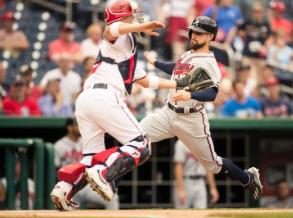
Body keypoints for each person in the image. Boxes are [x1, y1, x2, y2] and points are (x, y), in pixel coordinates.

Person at [50, 0, 176, 211]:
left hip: (87, 100)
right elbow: (111, 29)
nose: (135, 18)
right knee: (141, 144)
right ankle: (104, 173)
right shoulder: (118, 37)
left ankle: (64, 189)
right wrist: (142, 26)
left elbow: (147, 82)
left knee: (90, 157)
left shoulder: (125, 52)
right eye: (131, 15)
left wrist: (178, 84)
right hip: (104, 97)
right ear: (123, 17)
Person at [141, 16, 263, 202]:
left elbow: (212, 93)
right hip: (168, 113)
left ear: (210, 37)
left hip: (191, 119)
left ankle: (247, 178)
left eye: (200, 33)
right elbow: (177, 68)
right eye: (193, 31)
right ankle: (110, 178)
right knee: (136, 136)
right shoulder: (188, 54)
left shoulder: (210, 63)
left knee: (213, 164)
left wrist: (190, 95)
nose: (194, 35)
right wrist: (156, 63)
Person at [54, 118, 119, 209]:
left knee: (113, 197)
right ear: (70, 127)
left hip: (88, 184)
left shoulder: (86, 142)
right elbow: (55, 169)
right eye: (77, 125)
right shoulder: (59, 145)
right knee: (67, 208)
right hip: (71, 185)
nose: (80, 128)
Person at [174, 140, 219, 208]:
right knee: (182, 213)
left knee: (202, 212)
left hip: (201, 182)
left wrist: (213, 188)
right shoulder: (181, 142)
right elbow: (178, 167)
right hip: (186, 181)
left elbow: (209, 166)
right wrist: (181, 190)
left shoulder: (204, 142)